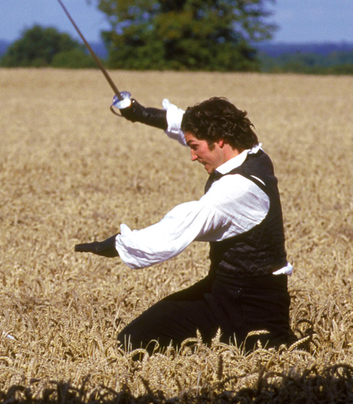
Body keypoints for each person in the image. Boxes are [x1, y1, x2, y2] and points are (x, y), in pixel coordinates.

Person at [75, 94, 297, 352]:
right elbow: (185, 125)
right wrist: (140, 113)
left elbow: (176, 228)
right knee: (132, 342)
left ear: (220, 140)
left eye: (195, 147)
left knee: (261, 364)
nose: (192, 156)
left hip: (253, 306)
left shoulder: (237, 190)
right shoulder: (250, 152)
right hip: (219, 291)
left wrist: (118, 244)